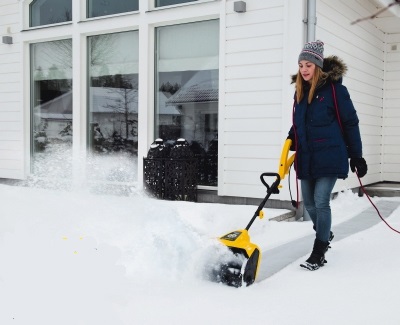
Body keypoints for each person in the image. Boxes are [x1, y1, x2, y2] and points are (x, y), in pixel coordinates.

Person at [287, 40, 368, 271]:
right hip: (307, 156)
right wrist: (290, 138)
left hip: (331, 155)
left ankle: (319, 250)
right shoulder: (300, 92)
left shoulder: (336, 91)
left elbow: (351, 123)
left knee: (322, 201)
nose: (303, 69)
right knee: (309, 204)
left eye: (308, 65)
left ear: (318, 66)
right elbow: (298, 124)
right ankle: (325, 233)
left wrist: (357, 156)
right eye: (301, 64)